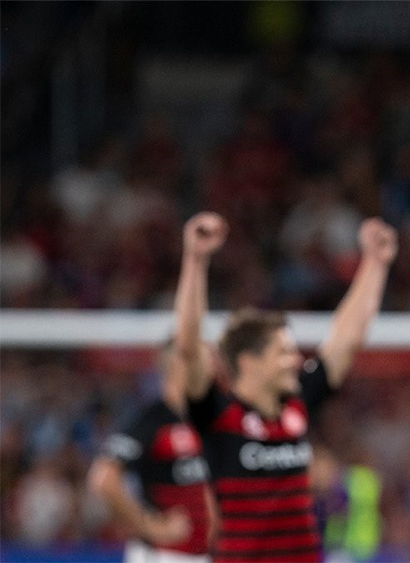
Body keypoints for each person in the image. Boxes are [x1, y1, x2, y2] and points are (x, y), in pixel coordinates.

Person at [181, 215, 397, 563]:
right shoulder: (218, 416)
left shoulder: (297, 405)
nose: (295, 360)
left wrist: (375, 263)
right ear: (249, 362)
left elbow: (346, 341)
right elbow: (189, 348)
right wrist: (195, 260)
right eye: (282, 352)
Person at [88, 212, 228, 563]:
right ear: (181, 364)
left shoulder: (212, 417)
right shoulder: (152, 419)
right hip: (163, 556)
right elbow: (104, 479)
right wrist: (149, 526)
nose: (213, 364)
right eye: (205, 356)